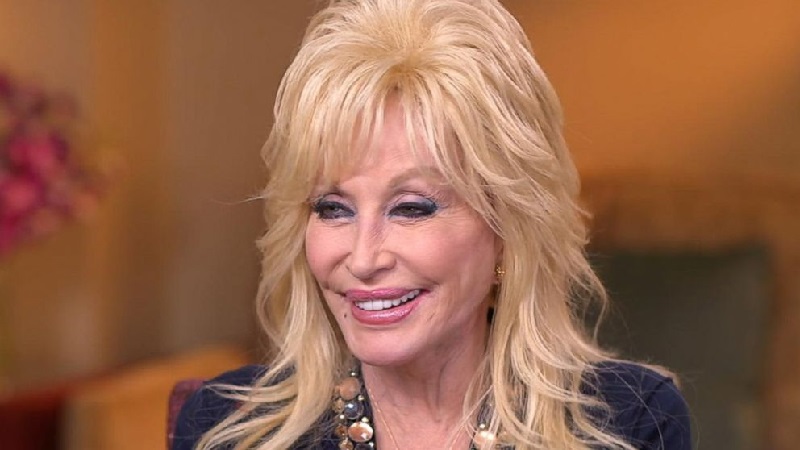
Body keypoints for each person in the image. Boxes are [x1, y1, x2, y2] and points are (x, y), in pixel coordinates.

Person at [174, 0, 692, 448]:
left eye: (411, 208)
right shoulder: (228, 428)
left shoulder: (629, 422)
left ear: (508, 228)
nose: (363, 258)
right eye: (333, 208)